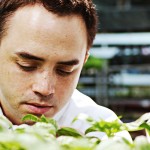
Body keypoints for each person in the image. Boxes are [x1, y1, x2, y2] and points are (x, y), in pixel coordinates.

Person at [0, 0, 131, 140]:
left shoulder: (104, 134)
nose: (44, 88)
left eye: (65, 70)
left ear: (83, 61)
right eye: (26, 65)